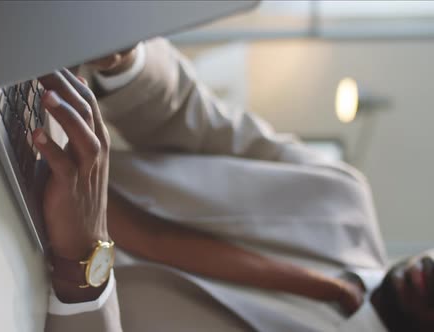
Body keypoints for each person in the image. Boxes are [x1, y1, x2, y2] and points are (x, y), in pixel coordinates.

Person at [36, 39, 434, 331]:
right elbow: (196, 122)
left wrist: (85, 263)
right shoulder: (343, 198)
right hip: (24, 157)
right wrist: (124, 61)